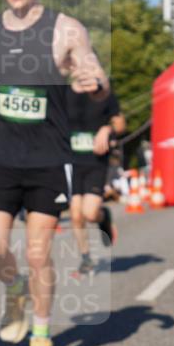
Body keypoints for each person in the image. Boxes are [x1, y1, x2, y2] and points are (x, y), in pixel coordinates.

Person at [0, 0, 110, 346]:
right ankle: (16, 288)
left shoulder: (67, 29)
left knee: (36, 251)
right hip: (2, 155)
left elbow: (94, 75)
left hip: (48, 158)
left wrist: (94, 80)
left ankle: (42, 339)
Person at [66, 84, 124, 274]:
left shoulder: (104, 93)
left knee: (89, 214)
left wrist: (108, 129)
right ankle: (86, 258)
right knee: (75, 214)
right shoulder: (63, 91)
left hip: (96, 162)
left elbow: (120, 123)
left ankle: (103, 216)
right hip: (71, 162)